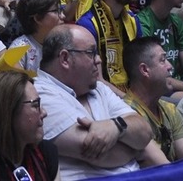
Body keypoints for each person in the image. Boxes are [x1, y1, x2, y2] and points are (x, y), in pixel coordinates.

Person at [35, 24, 166, 180]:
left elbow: (144, 131)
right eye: (91, 53)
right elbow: (98, 153)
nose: (99, 60)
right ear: (65, 59)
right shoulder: (40, 94)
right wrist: (137, 148)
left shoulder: (99, 88)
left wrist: (116, 126)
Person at [123, 37, 183, 162]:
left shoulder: (170, 109)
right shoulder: (127, 114)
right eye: (163, 60)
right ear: (145, 70)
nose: (170, 66)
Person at [77, 0, 141, 92]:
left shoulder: (133, 20)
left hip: (132, 92)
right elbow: (96, 80)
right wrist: (133, 103)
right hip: (103, 96)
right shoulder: (87, 25)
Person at [9, 0, 64, 73]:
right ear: (37, 18)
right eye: (56, 11)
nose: (63, 16)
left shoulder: (64, 42)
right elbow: (16, 84)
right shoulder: (18, 49)